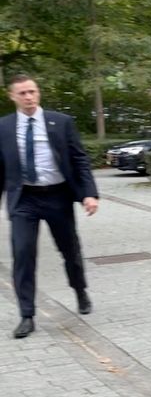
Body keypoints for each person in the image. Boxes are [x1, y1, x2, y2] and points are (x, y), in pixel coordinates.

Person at [0, 75, 99, 339]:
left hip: (57, 196)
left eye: (32, 91)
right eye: (22, 93)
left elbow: (80, 159)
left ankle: (79, 289)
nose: (28, 97)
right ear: (12, 96)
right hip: (24, 199)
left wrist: (89, 194)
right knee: (22, 254)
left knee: (70, 250)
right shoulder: (4, 127)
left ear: (39, 93)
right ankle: (26, 315)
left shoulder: (61, 122)